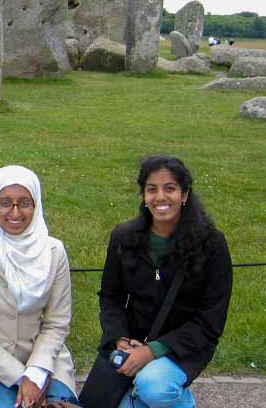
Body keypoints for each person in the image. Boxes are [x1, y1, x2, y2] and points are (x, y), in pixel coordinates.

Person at [94, 155, 232, 408]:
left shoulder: (212, 244)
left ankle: (180, 400)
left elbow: (210, 321)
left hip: (183, 347)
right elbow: (110, 297)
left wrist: (152, 351)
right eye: (151, 189)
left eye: (170, 188)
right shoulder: (124, 237)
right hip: (133, 341)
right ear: (144, 195)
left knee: (153, 387)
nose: (160, 198)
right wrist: (119, 339)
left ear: (184, 195)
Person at [0, 166, 77, 408]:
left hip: (44, 361)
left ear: (36, 205)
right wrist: (22, 377)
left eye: (24, 203)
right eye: (5, 203)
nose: (15, 212)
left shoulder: (53, 251)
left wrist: (36, 372)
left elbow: (56, 324)